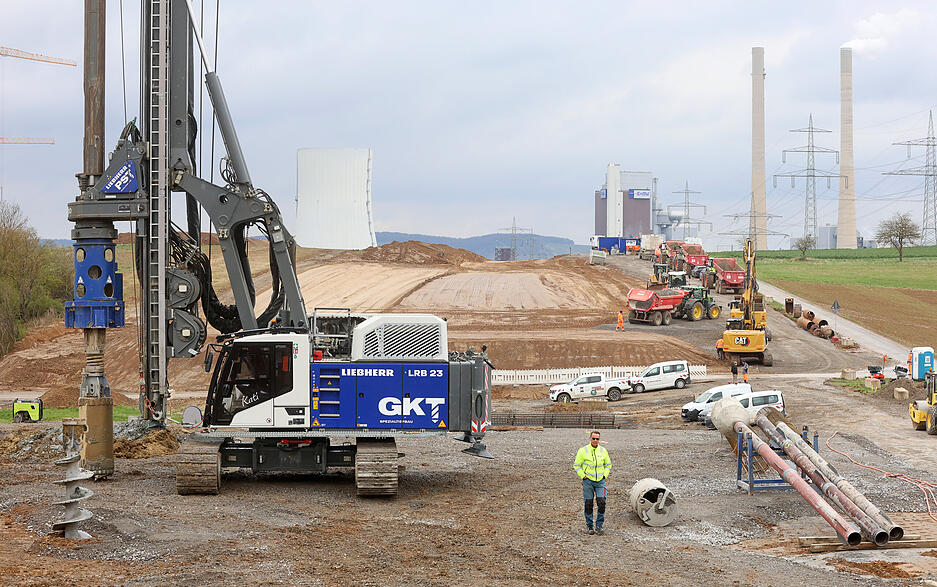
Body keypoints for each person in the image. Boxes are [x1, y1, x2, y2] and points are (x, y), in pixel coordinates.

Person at [574, 430, 612, 535]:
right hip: (588, 482)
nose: (595, 440)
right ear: (590, 438)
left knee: (601, 502)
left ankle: (599, 525)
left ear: (599, 439)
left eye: (597, 439)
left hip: (600, 482)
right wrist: (583, 476)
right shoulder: (583, 451)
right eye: (593, 438)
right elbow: (577, 465)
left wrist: (604, 475)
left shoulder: (603, 451)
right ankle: (589, 526)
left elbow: (608, 465)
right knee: (588, 503)